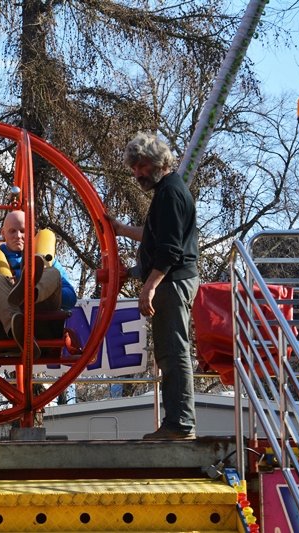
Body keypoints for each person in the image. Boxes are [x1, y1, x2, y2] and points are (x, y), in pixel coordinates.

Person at [108, 132, 200, 441]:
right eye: (134, 167)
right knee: (167, 351)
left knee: (174, 351)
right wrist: (121, 230)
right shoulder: (167, 192)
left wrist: (148, 287)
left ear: (157, 163)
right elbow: (153, 236)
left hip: (173, 282)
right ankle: (176, 422)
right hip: (171, 280)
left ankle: (180, 424)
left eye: (141, 166)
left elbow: (170, 250)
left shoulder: (170, 194)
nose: (136, 173)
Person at [0, 210, 77, 357]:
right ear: (3, 233)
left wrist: (36, 288)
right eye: (12, 231)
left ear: (31, 233)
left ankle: (30, 291)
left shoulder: (48, 260)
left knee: (52, 273)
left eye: (23, 231)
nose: (18, 236)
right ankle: (18, 331)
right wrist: (2, 289)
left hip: (43, 323)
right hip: (5, 328)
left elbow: (70, 298)